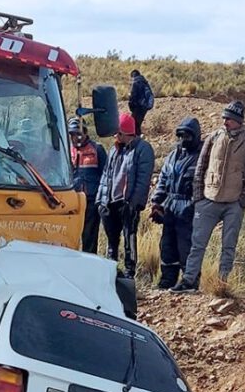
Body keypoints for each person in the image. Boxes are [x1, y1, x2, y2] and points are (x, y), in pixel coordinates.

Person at [171, 101, 245, 293]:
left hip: (234, 203)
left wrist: (243, 202)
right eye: (224, 117)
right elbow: (201, 167)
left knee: (228, 246)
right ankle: (189, 281)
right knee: (197, 244)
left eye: (229, 118)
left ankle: (222, 284)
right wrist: (199, 198)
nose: (225, 121)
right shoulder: (213, 137)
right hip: (208, 199)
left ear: (238, 120)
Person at [96, 112, 155, 277]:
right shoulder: (114, 149)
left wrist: (134, 203)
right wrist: (101, 201)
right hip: (110, 202)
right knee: (111, 240)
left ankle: (130, 271)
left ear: (124, 132)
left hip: (127, 202)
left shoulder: (143, 149)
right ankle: (111, 269)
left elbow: (143, 180)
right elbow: (106, 175)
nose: (115, 135)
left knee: (129, 238)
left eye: (117, 132)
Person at [150, 117, 202, 289]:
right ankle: (167, 280)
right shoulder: (173, 155)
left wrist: (195, 204)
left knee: (186, 245)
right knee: (167, 244)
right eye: (180, 136)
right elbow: (163, 179)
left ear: (195, 136)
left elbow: (204, 183)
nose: (183, 140)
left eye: (187, 136)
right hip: (170, 204)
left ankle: (190, 281)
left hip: (189, 204)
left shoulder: (202, 156)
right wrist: (156, 202)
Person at [68, 117, 108, 253]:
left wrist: (102, 200)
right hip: (72, 201)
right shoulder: (67, 151)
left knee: (89, 238)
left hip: (91, 201)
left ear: (85, 133)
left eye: (78, 134)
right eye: (72, 135)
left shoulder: (97, 149)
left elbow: (106, 176)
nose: (75, 138)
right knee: (70, 238)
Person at [128, 70, 154, 136]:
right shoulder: (145, 82)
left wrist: (131, 106)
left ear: (133, 76)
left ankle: (136, 139)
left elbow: (133, 96)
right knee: (137, 124)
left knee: (132, 124)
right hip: (144, 107)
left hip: (138, 107)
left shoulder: (136, 82)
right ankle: (138, 137)